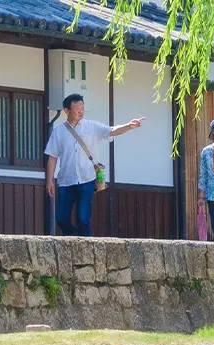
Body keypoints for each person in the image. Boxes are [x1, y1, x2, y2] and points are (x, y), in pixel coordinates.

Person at [44, 93, 144, 237]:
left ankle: (86, 247)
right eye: (77, 109)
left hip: (87, 179)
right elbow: (52, 157)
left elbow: (112, 130)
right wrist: (49, 181)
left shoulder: (92, 126)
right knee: (61, 218)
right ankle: (73, 239)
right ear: (66, 111)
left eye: (82, 108)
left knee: (83, 218)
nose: (81, 111)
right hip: (66, 180)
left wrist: (129, 126)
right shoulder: (59, 132)